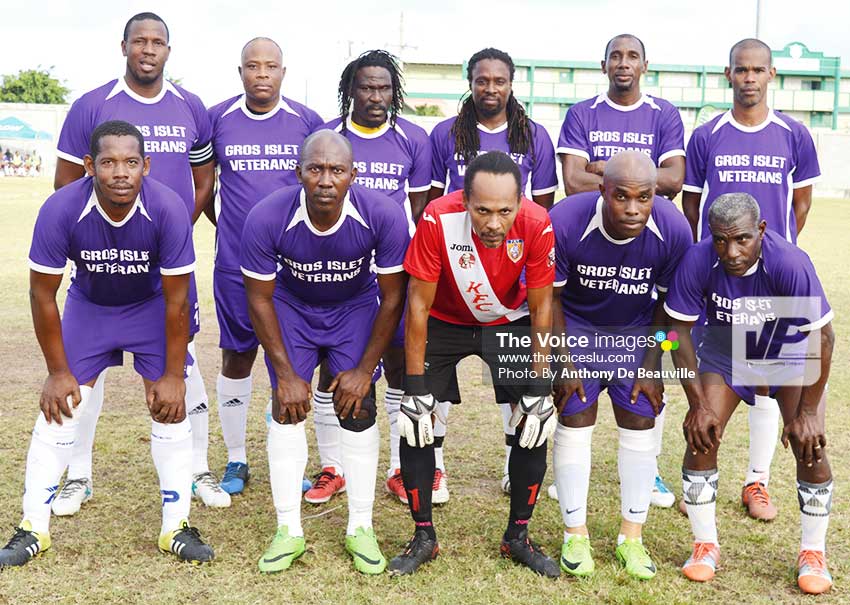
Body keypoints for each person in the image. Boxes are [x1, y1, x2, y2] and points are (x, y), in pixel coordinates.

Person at [0, 121, 214, 567]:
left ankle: (175, 525)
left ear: (146, 167)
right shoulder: (61, 208)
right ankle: (32, 526)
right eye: (109, 162)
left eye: (131, 162)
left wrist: (174, 376)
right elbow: (42, 294)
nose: (120, 172)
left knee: (170, 407)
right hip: (91, 306)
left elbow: (178, 300)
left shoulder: (169, 208)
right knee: (61, 408)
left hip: (151, 308)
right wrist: (58, 372)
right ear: (89, 166)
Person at [51, 12, 225, 511]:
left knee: (181, 364)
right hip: (102, 262)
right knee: (88, 371)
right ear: (123, 46)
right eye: (139, 41)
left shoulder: (190, 106)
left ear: (169, 50)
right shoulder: (91, 106)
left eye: (158, 42)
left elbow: (204, 176)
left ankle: (197, 468)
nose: (148, 49)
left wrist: (172, 235)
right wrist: (95, 242)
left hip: (166, 266)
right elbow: (65, 186)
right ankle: (76, 476)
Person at [241, 130, 409, 574]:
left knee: (358, 407)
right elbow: (259, 299)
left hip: (353, 309)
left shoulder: (383, 215)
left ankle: (360, 526)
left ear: (354, 174)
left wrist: (365, 370)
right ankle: (288, 531)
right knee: (286, 406)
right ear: (299, 173)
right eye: (315, 169)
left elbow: (393, 299)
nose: (326, 179)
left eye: (337, 170)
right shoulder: (265, 216)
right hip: (292, 309)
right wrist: (284, 375)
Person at [391, 150, 558, 577]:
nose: (493, 223)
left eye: (505, 211)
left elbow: (541, 311)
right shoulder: (436, 217)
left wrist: (540, 388)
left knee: (534, 423)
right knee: (416, 423)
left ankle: (517, 536)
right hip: (443, 322)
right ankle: (423, 536)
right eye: (482, 210)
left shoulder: (538, 223)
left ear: (521, 203)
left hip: (507, 321)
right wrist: (413, 388)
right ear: (465, 200)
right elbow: (417, 307)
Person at [665, 193, 834, 594]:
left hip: (787, 352)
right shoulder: (697, 259)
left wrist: (807, 412)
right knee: (701, 437)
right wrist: (697, 404)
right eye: (721, 241)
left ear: (761, 230)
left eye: (741, 239)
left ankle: (813, 551)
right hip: (726, 350)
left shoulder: (789, 262)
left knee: (811, 446)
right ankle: (705, 544)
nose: (731, 251)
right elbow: (676, 334)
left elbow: (822, 338)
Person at [680, 38, 821, 520]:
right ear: (729, 74)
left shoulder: (793, 133)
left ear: (771, 75)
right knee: (715, 372)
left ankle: (756, 482)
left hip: (770, 278)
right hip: (721, 277)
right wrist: (717, 251)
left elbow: (800, 202)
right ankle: (699, 480)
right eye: (741, 70)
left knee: (767, 381)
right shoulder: (708, 134)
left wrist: (777, 250)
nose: (749, 78)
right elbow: (694, 204)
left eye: (758, 70)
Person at [553, 33, 686, 507]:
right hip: (585, 312)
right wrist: (631, 175)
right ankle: (569, 489)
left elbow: (673, 180)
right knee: (571, 408)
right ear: (604, 63)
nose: (623, 63)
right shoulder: (582, 112)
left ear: (645, 65)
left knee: (647, 389)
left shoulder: (663, 114)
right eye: (616, 55)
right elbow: (572, 182)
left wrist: (605, 167)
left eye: (632, 56)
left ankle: (646, 475)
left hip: (638, 318)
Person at [548, 151, 692, 579]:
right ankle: (575, 533)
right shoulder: (566, 220)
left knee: (639, 416)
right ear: (602, 191)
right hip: (576, 326)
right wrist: (565, 362)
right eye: (621, 197)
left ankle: (632, 536)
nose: (633, 208)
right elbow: (550, 298)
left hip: (635, 329)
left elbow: (669, 308)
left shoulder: (673, 228)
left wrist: (651, 365)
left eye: (644, 197)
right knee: (575, 416)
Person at [308, 49, 436, 505]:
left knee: (401, 363)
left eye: (384, 87)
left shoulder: (413, 139)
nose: (376, 96)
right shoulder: (327, 137)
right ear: (350, 90)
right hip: (339, 269)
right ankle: (333, 466)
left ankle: (401, 468)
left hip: (392, 270)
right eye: (366, 87)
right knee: (333, 367)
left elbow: (419, 210)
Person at [429, 47, 558, 496]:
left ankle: (512, 463)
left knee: (512, 380)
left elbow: (543, 207)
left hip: (511, 273)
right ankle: (436, 465)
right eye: (482, 80)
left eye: (498, 80)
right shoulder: (446, 134)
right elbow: (428, 200)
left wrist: (526, 263)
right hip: (454, 268)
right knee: (436, 380)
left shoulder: (534, 136)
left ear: (511, 84)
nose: (490, 88)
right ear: (470, 82)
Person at [206, 36, 323, 497]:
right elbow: (207, 188)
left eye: (270, 66)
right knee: (237, 356)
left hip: (293, 271)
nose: (261, 74)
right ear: (240, 72)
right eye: (252, 66)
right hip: (235, 264)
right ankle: (236, 458)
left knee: (290, 366)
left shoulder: (306, 122)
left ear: (282, 73)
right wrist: (239, 229)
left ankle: (290, 461)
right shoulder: (217, 119)